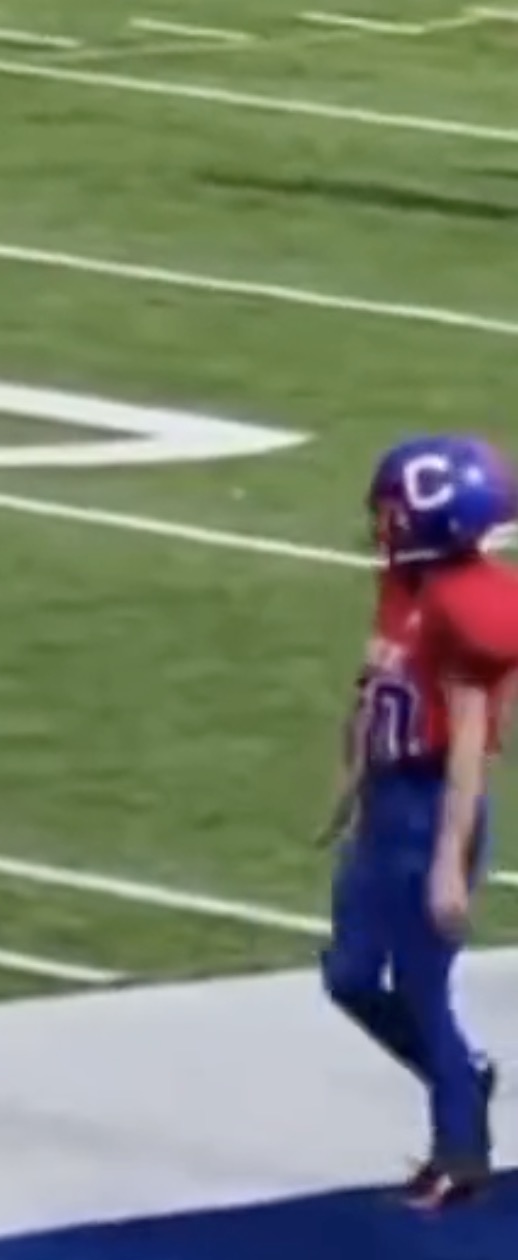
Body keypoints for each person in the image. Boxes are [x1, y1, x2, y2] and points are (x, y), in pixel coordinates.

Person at [318, 434, 518, 1208]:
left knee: (424, 989)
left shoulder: (467, 606)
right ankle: (462, 1077)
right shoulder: (406, 585)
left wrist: (448, 859)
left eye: (393, 510)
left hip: (434, 805)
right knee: (349, 975)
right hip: (388, 803)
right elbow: (377, 693)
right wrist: (353, 783)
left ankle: (460, 1152)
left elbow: (471, 745)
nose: (381, 523)